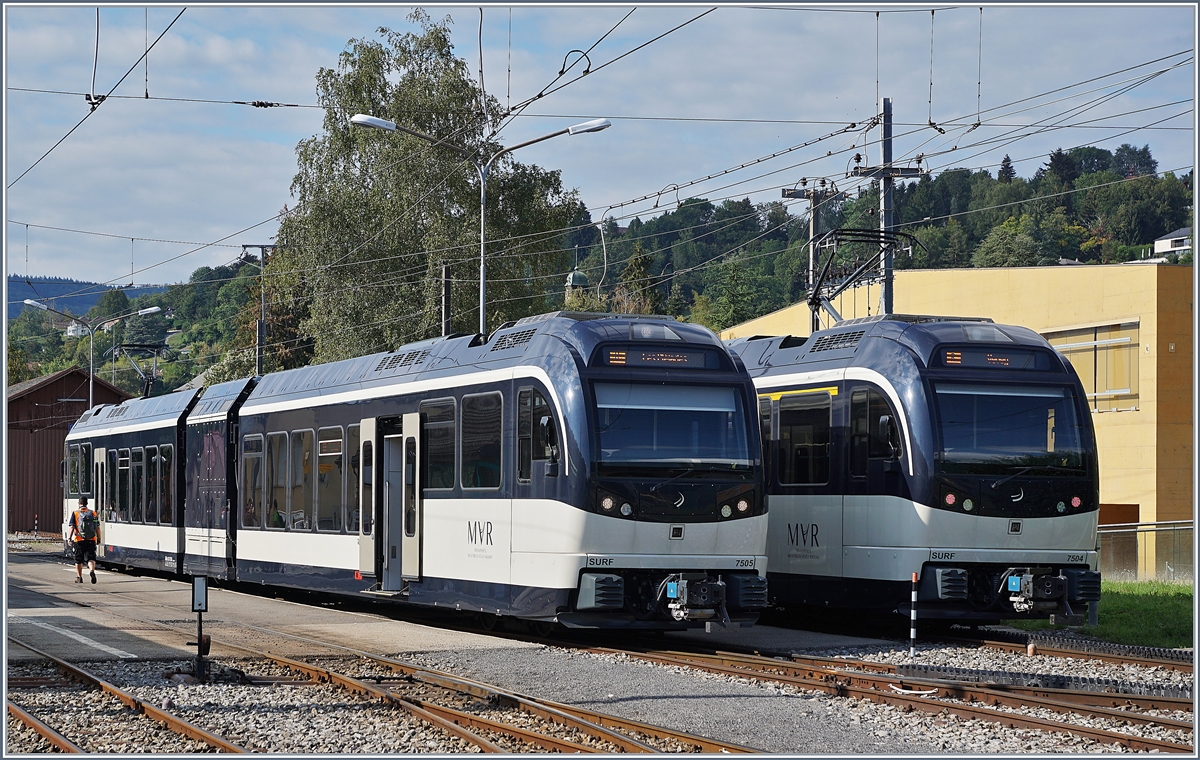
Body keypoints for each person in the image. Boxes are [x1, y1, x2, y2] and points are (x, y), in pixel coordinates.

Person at [68, 496, 101, 584]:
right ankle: (92, 571)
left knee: (79, 559)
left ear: (79, 503)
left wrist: (69, 538)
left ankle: (79, 577)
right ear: (87, 503)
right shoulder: (93, 513)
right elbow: (97, 527)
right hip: (91, 539)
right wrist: (99, 538)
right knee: (91, 558)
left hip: (79, 540)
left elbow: (72, 527)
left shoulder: (75, 513)